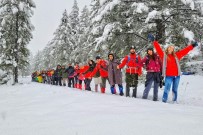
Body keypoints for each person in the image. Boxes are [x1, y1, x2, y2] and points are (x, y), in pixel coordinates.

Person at [148, 33, 198, 103]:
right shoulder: (164, 56)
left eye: (172, 47)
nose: (171, 48)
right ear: (167, 48)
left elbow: (185, 51)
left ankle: (174, 101)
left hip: (177, 76)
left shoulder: (176, 56)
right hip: (169, 76)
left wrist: (192, 46)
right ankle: (164, 101)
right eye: (169, 47)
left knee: (175, 89)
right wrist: (154, 41)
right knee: (167, 89)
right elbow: (158, 48)